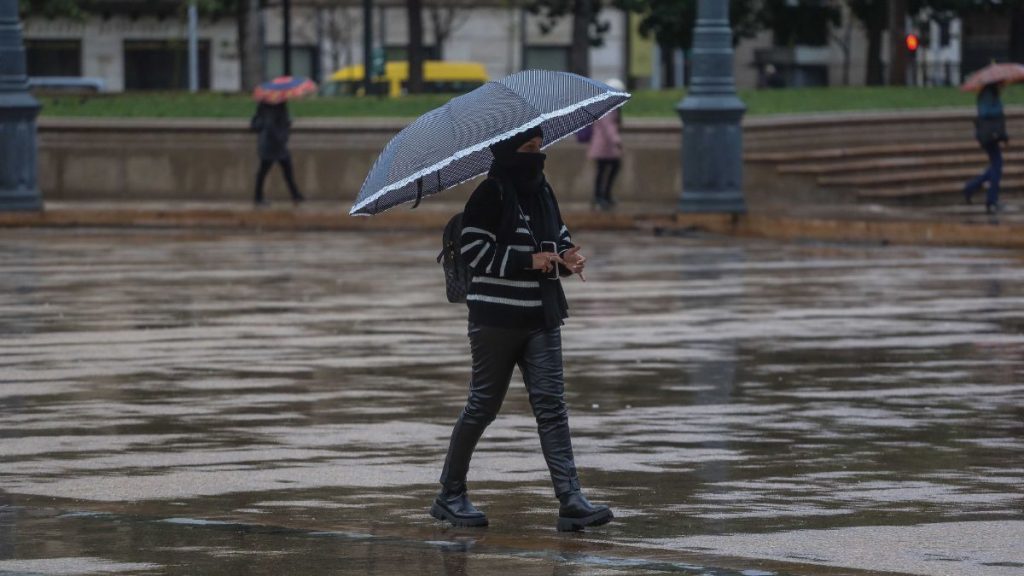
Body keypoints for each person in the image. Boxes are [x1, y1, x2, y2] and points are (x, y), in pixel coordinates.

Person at [430, 126, 614, 532]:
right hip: (496, 320)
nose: (537, 156)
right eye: (528, 149)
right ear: (509, 151)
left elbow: (557, 235)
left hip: (542, 317)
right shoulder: (489, 194)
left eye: (539, 147)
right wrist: (528, 261)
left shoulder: (543, 191)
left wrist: (567, 256)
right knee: (482, 407)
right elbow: (476, 251)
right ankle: (450, 494)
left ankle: (570, 499)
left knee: (552, 408)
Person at [964, 82, 1008, 214]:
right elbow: (985, 112)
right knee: (997, 165)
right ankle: (991, 200)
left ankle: (971, 188)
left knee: (996, 166)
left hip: (992, 135)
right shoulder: (988, 94)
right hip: (988, 135)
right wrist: (999, 108)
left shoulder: (992, 93)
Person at [250, 101, 305, 206]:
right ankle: (258, 197)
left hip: (270, 144)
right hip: (274, 145)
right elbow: (272, 125)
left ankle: (295, 194)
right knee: (273, 171)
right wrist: (281, 137)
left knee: (277, 170)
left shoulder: (264, 105)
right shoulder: (276, 106)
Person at [589, 79, 624, 210]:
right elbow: (609, 127)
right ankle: (600, 196)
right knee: (604, 170)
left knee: (604, 170)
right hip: (603, 146)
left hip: (605, 146)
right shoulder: (607, 107)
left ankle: (603, 196)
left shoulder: (605, 104)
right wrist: (617, 141)